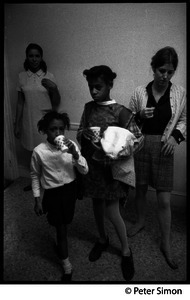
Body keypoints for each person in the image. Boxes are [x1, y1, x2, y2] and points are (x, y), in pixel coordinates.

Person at [76, 65, 143, 281]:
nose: (93, 91)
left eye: (98, 87)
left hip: (112, 171)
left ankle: (125, 250)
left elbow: (136, 140)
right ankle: (102, 239)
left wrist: (118, 151)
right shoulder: (88, 108)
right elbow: (80, 132)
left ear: (110, 85)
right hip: (93, 168)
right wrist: (83, 134)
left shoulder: (121, 111)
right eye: (90, 87)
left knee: (113, 211)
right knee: (96, 204)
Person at [128, 46, 186, 270]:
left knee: (164, 199)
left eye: (170, 72)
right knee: (140, 188)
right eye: (162, 70)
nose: (166, 76)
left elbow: (183, 119)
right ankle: (141, 221)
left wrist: (176, 138)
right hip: (142, 145)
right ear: (153, 68)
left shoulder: (179, 92)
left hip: (164, 148)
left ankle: (166, 243)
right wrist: (139, 115)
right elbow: (128, 120)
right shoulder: (139, 92)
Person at [30, 111, 88, 282]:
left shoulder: (71, 146)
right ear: (45, 131)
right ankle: (67, 266)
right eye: (53, 129)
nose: (58, 133)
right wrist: (37, 199)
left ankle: (60, 243)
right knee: (60, 228)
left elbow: (84, 170)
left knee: (65, 222)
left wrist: (75, 155)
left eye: (61, 129)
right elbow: (34, 175)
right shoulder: (39, 152)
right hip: (53, 193)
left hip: (70, 190)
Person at [14, 43, 61, 191]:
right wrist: (17, 124)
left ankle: (49, 181)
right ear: (27, 57)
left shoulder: (49, 76)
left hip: (44, 121)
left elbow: (56, 103)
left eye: (37, 56)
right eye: (31, 56)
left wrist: (54, 88)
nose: (34, 59)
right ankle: (35, 182)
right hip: (28, 120)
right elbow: (20, 102)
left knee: (47, 152)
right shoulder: (21, 77)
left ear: (41, 58)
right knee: (32, 153)